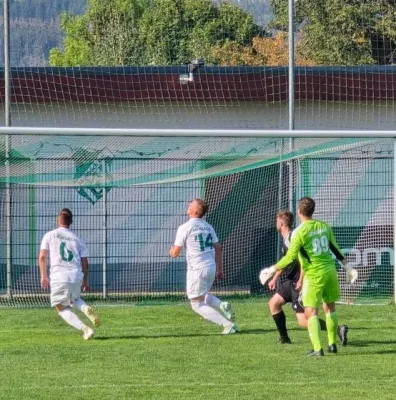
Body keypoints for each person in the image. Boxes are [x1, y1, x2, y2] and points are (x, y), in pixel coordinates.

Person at [260, 197, 358, 356]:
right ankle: (332, 344)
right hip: (330, 272)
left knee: (310, 312)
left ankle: (318, 349)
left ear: (299, 212)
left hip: (313, 275)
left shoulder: (299, 232)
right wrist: (348, 267)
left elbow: (290, 257)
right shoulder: (324, 226)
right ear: (313, 211)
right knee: (330, 307)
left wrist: (272, 269)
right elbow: (335, 248)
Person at [169, 198, 237, 334]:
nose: (188, 205)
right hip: (210, 266)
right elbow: (219, 248)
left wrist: (171, 251)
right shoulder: (208, 226)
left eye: (191, 205)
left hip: (197, 269)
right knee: (202, 295)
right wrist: (220, 268)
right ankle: (220, 304)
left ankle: (228, 325)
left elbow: (175, 253)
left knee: (197, 304)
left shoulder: (185, 227)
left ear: (195, 211)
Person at [39, 208, 100, 340]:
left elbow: (43, 256)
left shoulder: (49, 235)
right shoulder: (78, 239)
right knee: (74, 300)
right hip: (75, 275)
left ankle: (86, 329)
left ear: (57, 220)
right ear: (71, 222)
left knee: (61, 308)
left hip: (59, 276)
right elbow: (85, 263)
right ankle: (84, 307)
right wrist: (85, 281)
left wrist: (43, 276)